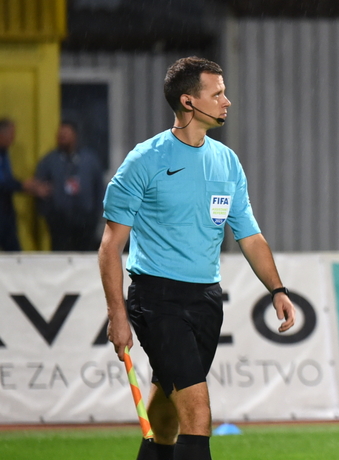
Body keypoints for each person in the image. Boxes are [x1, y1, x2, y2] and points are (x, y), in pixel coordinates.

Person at [99, 56, 296, 460]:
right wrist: (117, 315)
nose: (227, 101)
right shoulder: (145, 160)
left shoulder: (227, 161)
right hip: (157, 300)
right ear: (188, 102)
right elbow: (109, 247)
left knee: (165, 417)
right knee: (197, 415)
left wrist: (277, 289)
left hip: (206, 299)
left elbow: (250, 235)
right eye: (217, 93)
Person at [32, 121, 106, 251]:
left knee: (85, 255)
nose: (62, 138)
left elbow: (99, 188)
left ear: (75, 136)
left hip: (86, 220)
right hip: (59, 220)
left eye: (66, 134)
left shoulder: (89, 160)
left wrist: (97, 214)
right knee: (61, 254)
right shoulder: (49, 161)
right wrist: (48, 214)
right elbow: (39, 188)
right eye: (60, 135)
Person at [0, 118, 23, 251]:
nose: (13, 139)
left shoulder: (5, 154)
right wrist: (23, 186)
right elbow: (3, 183)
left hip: (6, 211)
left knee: (14, 253)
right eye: (11, 134)